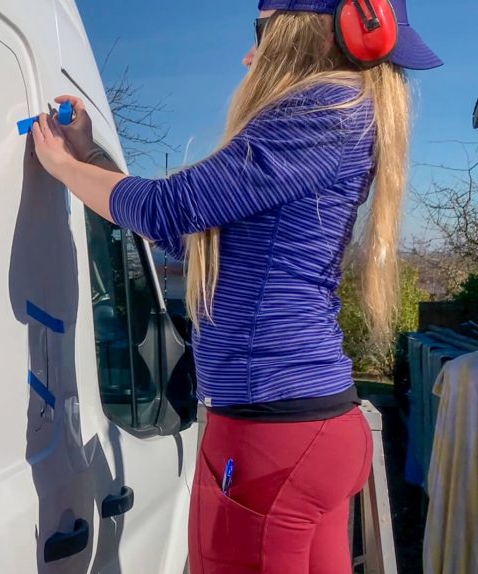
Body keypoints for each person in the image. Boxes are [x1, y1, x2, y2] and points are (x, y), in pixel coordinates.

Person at [30, 1, 442, 572]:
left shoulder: (324, 108)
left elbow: (168, 209)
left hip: (268, 438)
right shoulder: (344, 116)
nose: (251, 50)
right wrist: (92, 154)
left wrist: (61, 166)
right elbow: (196, 238)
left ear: (309, 28)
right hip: (306, 433)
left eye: (261, 28)